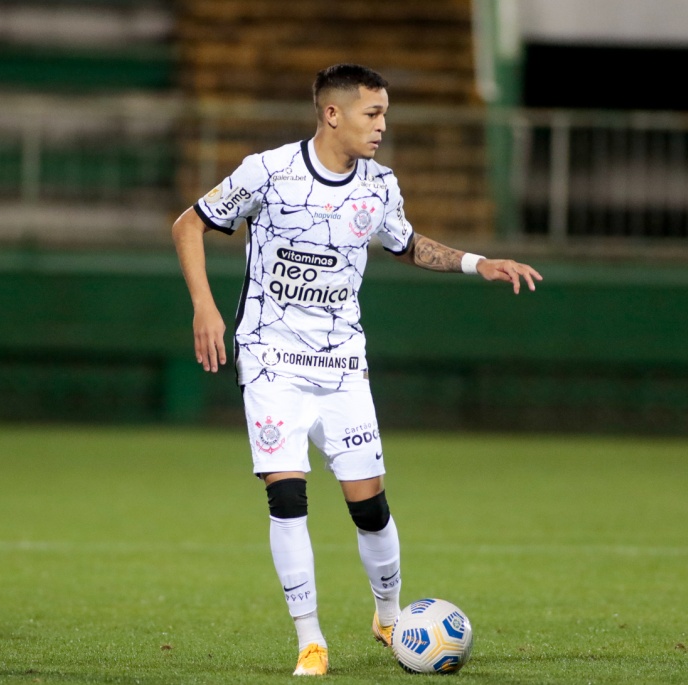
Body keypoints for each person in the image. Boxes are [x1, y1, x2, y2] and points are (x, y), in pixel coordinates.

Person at [172, 63, 542, 676]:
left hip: (343, 362)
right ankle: (309, 639)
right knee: (287, 495)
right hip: (271, 358)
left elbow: (408, 244)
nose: (382, 126)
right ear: (332, 113)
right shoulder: (268, 172)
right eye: (373, 114)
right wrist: (204, 307)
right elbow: (190, 223)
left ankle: (389, 615)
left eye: (386, 114)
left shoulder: (379, 185)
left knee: (368, 505)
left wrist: (478, 262)